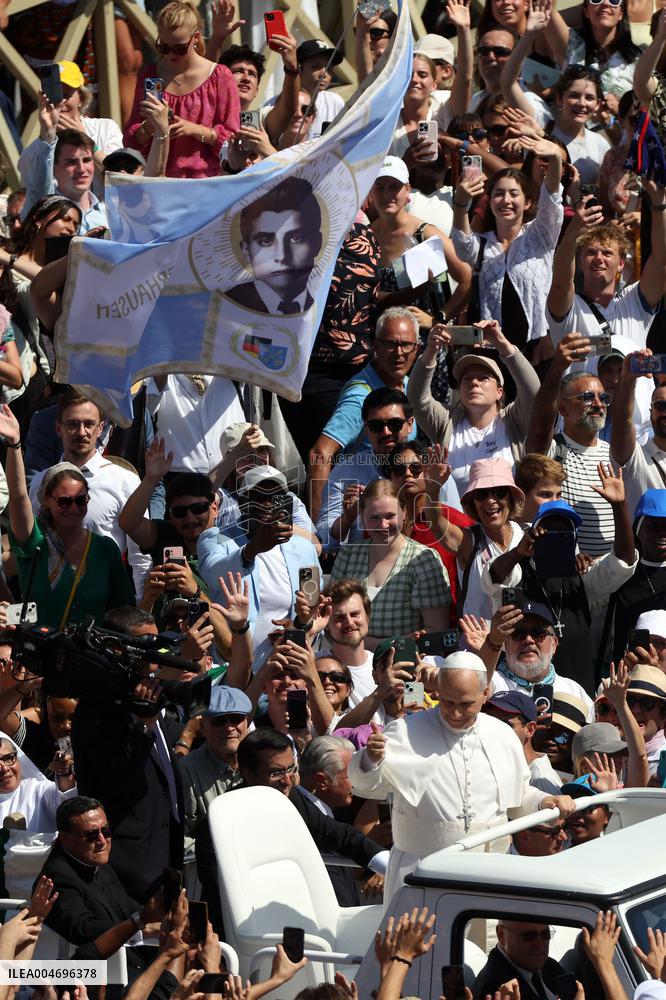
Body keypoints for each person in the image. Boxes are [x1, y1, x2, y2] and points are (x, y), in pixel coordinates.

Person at [349, 651, 575, 903]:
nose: (455, 714)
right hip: (424, 869)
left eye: (466, 704)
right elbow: (364, 786)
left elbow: (518, 796)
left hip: (490, 869)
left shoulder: (502, 735)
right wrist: (370, 758)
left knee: (485, 940)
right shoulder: (405, 731)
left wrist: (545, 801)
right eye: (448, 702)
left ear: (484, 693)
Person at [71, 606, 185, 901]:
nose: (154, 657)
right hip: (128, 862)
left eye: (157, 646)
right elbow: (114, 781)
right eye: (145, 647)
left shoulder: (147, 696)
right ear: (118, 649)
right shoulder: (98, 708)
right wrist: (144, 726)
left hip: (165, 850)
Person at [485, 480, 636, 693]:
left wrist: (619, 507)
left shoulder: (583, 575)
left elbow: (623, 563)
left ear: (574, 537)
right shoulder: (519, 571)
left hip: (576, 695)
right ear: (534, 534)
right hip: (521, 694)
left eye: (564, 532)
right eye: (548, 530)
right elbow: (493, 578)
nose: (556, 536)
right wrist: (519, 552)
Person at [0, 406, 134, 627]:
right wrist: (14, 444)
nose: (73, 508)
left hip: (91, 658)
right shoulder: (35, 542)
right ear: (46, 501)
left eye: (80, 500)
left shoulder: (105, 549)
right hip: (39, 655)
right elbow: (18, 496)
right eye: (64, 501)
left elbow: (122, 610)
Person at [197, 465, 320, 672]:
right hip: (235, 669)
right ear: (243, 503)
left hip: (287, 668)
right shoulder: (215, 538)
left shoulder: (304, 547)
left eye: (276, 497)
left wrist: (298, 625)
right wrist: (252, 549)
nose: (269, 504)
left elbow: (313, 602)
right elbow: (213, 574)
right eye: (260, 498)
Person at [29, 389, 151, 595]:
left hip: (107, 596)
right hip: (52, 598)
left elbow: (140, 555)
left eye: (89, 424)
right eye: (73, 424)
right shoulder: (40, 482)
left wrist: (142, 606)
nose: (82, 432)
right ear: (58, 428)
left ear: (100, 428)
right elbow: (34, 545)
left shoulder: (125, 480)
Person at [452, 142, 563, 361]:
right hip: (491, 352)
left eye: (514, 194)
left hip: (536, 350)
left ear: (528, 202)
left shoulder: (540, 234)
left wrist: (556, 158)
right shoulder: (483, 244)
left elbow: (552, 198)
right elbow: (462, 244)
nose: (506, 200)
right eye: (499, 194)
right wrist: (460, 204)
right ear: (490, 201)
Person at [307, 307, 420, 522]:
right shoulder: (360, 395)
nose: (399, 353)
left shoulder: (408, 386)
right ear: (375, 346)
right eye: (390, 344)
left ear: (417, 348)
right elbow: (320, 454)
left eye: (406, 344)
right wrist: (318, 534)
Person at [118, 445, 232, 655]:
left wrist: (194, 590)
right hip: (165, 652)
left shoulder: (230, 550)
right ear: (170, 515)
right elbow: (128, 522)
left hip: (214, 658)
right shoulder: (166, 535)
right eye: (180, 512)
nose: (190, 518)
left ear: (214, 508)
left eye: (198, 509)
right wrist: (151, 479)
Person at [407, 321, 540, 496]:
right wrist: (431, 350)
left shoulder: (513, 420)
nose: (474, 382)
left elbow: (533, 392)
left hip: (506, 521)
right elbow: (416, 398)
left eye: (483, 378)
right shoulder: (446, 421)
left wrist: (501, 342)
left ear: (499, 392)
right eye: (467, 379)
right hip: (454, 522)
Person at [39, 797, 166, 977]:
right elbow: (81, 929)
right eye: (91, 835)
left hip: (138, 962)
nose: (102, 840)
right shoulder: (57, 878)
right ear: (64, 838)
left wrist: (163, 920)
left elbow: (127, 907)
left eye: (106, 831)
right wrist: (140, 926)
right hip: (107, 977)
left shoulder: (96, 861)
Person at [124, 0, 240, 178]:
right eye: (163, 47)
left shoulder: (219, 75)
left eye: (179, 48)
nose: (170, 54)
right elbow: (131, 142)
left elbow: (233, 138)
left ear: (195, 38)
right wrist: (149, 128)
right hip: (159, 181)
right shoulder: (151, 75)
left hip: (206, 182)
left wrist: (195, 130)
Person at [330, 479, 452, 645]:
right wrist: (387, 643)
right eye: (374, 517)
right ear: (362, 516)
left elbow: (436, 631)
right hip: (351, 664)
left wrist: (364, 644)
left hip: (404, 663)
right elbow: (330, 622)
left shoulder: (423, 559)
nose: (383, 525)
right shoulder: (348, 555)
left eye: (390, 516)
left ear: (404, 513)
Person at [546, 187, 666, 352]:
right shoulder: (570, 306)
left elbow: (661, 261)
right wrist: (572, 232)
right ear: (579, 261)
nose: (599, 258)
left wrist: (659, 204)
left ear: (621, 263)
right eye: (591, 252)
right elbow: (560, 283)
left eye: (607, 253)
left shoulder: (634, 301)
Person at [315, 388, 415, 549]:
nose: (386, 432)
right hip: (363, 568)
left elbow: (451, 524)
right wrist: (347, 517)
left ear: (410, 424)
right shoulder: (345, 472)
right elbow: (325, 539)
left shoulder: (430, 469)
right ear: (366, 428)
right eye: (376, 426)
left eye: (395, 424)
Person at [386, 442, 474, 618]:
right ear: (390, 477)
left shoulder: (454, 520)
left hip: (447, 622)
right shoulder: (381, 524)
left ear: (427, 471)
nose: (408, 473)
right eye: (399, 469)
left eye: (416, 467)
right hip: (397, 621)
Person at [439, 456, 525, 621]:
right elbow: (436, 524)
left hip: (522, 642)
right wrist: (433, 490)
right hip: (477, 644)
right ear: (473, 503)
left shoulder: (527, 533)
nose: (491, 501)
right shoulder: (468, 541)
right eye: (481, 495)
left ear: (511, 497)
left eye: (499, 492)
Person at [224, 176, 321, 315]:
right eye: (266, 241)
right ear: (246, 250)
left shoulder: (331, 303)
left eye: (296, 238)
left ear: (317, 242)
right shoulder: (223, 307)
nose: (282, 255)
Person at [177, 685, 250, 850]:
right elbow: (181, 836)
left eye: (236, 718)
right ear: (203, 726)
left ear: (246, 722)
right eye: (219, 721)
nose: (229, 727)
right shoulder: (187, 771)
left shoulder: (262, 759)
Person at [19, 114, 106, 232]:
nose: (81, 169)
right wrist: (48, 136)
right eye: (71, 162)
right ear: (53, 169)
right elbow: (40, 176)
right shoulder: (43, 206)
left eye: (87, 160)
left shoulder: (108, 214)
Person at [544, 0, 642, 102]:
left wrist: (619, 110)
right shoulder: (572, 43)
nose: (605, 4)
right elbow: (546, 8)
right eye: (596, 0)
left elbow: (648, 103)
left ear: (621, 14)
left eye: (614, 0)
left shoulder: (637, 58)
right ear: (586, 11)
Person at [610, 352, 666, 518]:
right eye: (661, 406)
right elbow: (622, 424)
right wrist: (627, 379)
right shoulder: (636, 458)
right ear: (651, 412)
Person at [484, 689, 563, 793]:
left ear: (530, 729)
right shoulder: (508, 766)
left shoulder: (540, 778)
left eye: (506, 725)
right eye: (490, 723)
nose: (496, 730)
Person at [474, 920, 569, 1000]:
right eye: (529, 936)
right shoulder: (493, 991)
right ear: (501, 935)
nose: (539, 945)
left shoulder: (549, 966)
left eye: (545, 934)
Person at [0, 734, 76, 831]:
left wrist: (64, 773)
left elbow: (67, 804)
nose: (4, 769)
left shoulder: (38, 791)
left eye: (8, 758)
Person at [626, 664, 666, 777]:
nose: (636, 710)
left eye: (647, 703)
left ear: (663, 714)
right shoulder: (610, 754)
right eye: (630, 701)